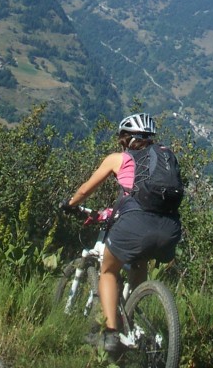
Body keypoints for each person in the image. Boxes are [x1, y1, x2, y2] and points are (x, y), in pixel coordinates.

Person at [62, 113, 182, 355]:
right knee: (138, 263)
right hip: (169, 229)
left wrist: (70, 204)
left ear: (127, 139)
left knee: (107, 271)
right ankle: (133, 319)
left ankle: (111, 334)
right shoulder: (167, 157)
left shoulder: (118, 159)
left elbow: (86, 189)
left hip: (136, 226)